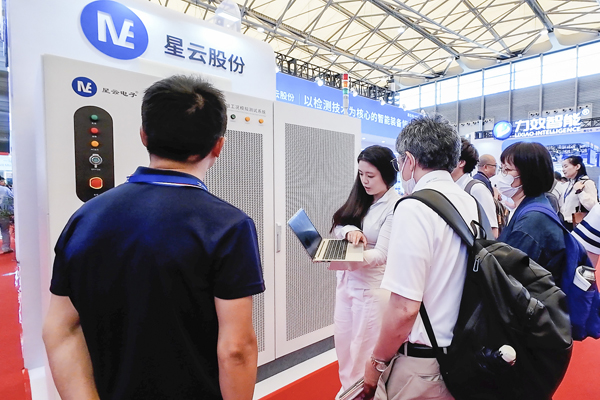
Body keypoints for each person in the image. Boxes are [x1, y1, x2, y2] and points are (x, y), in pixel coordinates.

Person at [42, 75, 265, 400]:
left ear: (144, 135)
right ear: (218, 145)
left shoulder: (85, 218)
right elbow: (236, 349)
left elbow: (60, 328)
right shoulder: (228, 227)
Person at [360, 114, 479, 400]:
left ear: (410, 161)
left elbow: (404, 308)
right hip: (460, 349)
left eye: (400, 161)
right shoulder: (467, 200)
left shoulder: (414, 207)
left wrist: (376, 363)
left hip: (423, 360)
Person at [329, 145, 400, 393]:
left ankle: (360, 395)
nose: (364, 181)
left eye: (370, 175)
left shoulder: (395, 206)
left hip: (371, 291)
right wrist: (350, 230)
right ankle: (348, 393)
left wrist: (344, 259)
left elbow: (382, 254)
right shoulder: (363, 198)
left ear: (387, 175)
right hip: (347, 285)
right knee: (344, 350)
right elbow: (340, 223)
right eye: (361, 174)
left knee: (362, 356)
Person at [497, 142, 566, 283]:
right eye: (501, 169)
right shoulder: (533, 205)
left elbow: (510, 276)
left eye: (507, 170)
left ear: (529, 174)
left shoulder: (532, 220)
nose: (501, 175)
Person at [450, 138, 499, 238]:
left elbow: (492, 230)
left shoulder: (477, 189)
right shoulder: (451, 186)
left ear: (461, 163)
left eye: (448, 158)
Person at [561, 156, 598, 231]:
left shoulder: (587, 183)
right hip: (565, 223)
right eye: (562, 167)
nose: (563, 169)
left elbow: (593, 206)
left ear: (577, 166)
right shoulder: (568, 184)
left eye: (566, 166)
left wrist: (579, 191)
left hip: (579, 225)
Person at [0, 176, 13, 254]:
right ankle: (6, 248)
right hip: (4, 213)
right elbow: (11, 200)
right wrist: (11, 212)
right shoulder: (6, 190)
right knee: (5, 230)